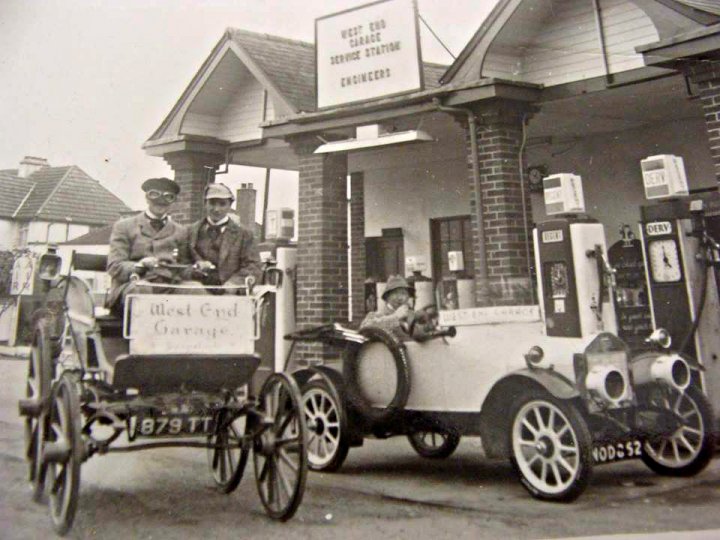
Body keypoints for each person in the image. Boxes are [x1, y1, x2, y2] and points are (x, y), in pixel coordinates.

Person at [106, 177, 191, 311]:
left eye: (166, 201)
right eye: (155, 199)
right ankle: (143, 331)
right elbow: (114, 266)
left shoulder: (181, 231)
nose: (160, 204)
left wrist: (197, 269)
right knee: (142, 289)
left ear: (172, 203)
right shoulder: (124, 227)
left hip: (167, 288)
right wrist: (140, 264)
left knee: (194, 289)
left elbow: (184, 267)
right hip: (132, 287)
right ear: (147, 199)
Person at [187, 182, 261, 293]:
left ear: (229, 206)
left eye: (222, 204)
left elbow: (253, 266)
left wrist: (234, 284)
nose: (217, 209)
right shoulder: (190, 232)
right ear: (205, 203)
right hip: (195, 291)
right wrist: (194, 268)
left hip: (228, 294)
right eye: (212, 203)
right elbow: (181, 261)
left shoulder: (244, 235)